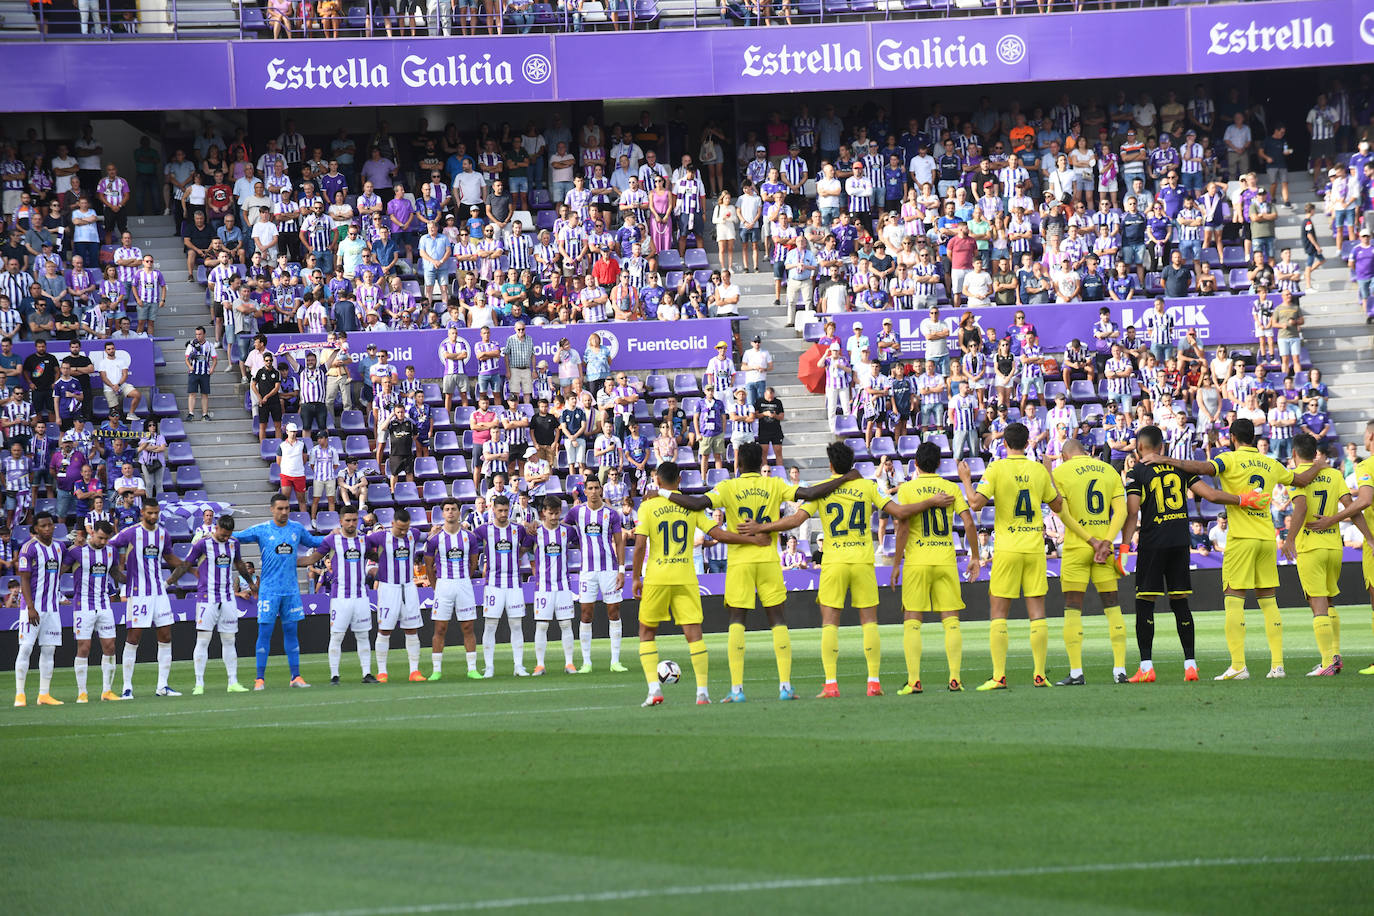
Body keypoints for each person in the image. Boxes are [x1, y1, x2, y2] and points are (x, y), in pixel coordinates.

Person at [739, 442, 945, 697]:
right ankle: (873, 683)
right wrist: (932, 501)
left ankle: (831, 684)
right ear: (852, 463)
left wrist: (762, 527)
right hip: (862, 561)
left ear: (831, 465)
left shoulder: (822, 491)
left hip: (834, 562)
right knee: (869, 622)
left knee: (829, 624)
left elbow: (795, 520)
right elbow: (900, 512)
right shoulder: (868, 486)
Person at [665, 442, 856, 702]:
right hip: (768, 558)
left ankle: (736, 690)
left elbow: (697, 503)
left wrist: (663, 494)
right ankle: (786, 686)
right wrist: (844, 478)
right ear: (760, 462)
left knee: (736, 621)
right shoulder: (775, 484)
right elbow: (810, 494)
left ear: (739, 464)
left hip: (740, 561)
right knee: (777, 619)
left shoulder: (728, 487)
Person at [1160, 419, 1326, 680]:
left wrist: (1170, 460)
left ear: (1233, 437)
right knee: (1269, 601)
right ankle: (1277, 666)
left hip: (1241, 538)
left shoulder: (1229, 459)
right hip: (1266, 538)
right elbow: (1303, 479)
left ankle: (1238, 666)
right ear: (1252, 436)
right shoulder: (1270, 462)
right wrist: (1319, 464)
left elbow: (1203, 468)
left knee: (1233, 599)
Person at [633, 461, 764, 708]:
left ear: (657, 481)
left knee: (646, 632)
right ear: (680, 480)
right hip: (685, 576)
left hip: (657, 577)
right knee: (694, 635)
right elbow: (718, 534)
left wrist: (635, 578)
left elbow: (639, 545)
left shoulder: (648, 507)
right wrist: (750, 540)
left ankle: (654, 690)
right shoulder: (690, 508)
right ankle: (702, 693)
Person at [1123, 426, 1246, 682]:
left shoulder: (1137, 471)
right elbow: (1210, 495)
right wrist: (1242, 499)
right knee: (1180, 603)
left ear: (1139, 448)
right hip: (1180, 541)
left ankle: (1146, 668)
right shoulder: (1180, 468)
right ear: (1161, 447)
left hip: (1152, 542)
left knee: (1145, 603)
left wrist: (1125, 546)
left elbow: (1133, 511)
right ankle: (1190, 664)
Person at [958, 422, 1063, 690]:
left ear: (1004, 444)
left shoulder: (997, 467)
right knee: (1037, 611)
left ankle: (999, 676)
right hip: (1033, 547)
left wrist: (966, 480)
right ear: (1028, 444)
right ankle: (1039, 674)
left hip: (1006, 548)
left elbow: (975, 503)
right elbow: (1058, 505)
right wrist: (1050, 476)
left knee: (998, 612)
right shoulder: (1038, 470)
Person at [890, 442, 981, 694]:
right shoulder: (950, 487)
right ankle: (954, 679)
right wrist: (975, 556)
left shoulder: (907, 489)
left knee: (912, 619)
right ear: (940, 464)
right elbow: (969, 523)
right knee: (951, 620)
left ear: (915, 464)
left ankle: (914, 681)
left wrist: (896, 563)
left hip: (917, 561)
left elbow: (903, 528)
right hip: (945, 560)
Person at [1049, 439, 1128, 686]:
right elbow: (1122, 512)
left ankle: (1076, 673)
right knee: (1113, 607)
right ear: (1085, 452)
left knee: (1073, 608)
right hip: (1105, 549)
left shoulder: (1060, 472)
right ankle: (1120, 670)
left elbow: (1063, 513)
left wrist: (1090, 541)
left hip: (1076, 548)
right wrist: (1105, 541)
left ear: (1063, 456)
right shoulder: (1108, 469)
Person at [1282, 434, 1356, 677]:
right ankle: (1334, 656)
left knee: (1318, 602)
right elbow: (1351, 507)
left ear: (1294, 454)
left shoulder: (1295, 477)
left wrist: (1290, 538)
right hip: (1335, 546)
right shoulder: (1334, 474)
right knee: (1330, 601)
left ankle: (1326, 662)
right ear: (1316, 454)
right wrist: (1369, 536)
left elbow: (1301, 506)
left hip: (1310, 547)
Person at [235, 494, 323, 690]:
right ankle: (259, 679)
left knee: (291, 632)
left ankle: (296, 677)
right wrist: (217, 534)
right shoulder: (262, 530)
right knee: (264, 632)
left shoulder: (296, 529)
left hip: (290, 591)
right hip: (268, 591)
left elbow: (314, 542)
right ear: (272, 509)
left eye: (287, 509)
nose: (284, 512)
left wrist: (336, 535)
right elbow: (237, 537)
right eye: (280, 509)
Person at [163, 515, 253, 695]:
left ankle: (233, 681)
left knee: (229, 640)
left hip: (227, 597)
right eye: (223, 534)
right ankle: (199, 684)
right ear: (216, 528)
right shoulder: (202, 544)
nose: (225, 538)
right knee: (203, 640)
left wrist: (251, 583)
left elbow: (240, 565)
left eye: (228, 535)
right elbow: (185, 565)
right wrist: (168, 583)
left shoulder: (234, 543)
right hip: (207, 598)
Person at [109, 498, 183, 698]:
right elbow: (109, 545)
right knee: (133, 638)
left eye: (156, 513)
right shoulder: (131, 532)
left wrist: (187, 566)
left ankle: (162, 686)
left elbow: (168, 557)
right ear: (142, 513)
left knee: (166, 636)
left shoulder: (163, 534)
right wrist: (116, 569)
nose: (153, 516)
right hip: (138, 593)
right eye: (150, 513)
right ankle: (127, 687)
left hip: (159, 592)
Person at [299, 507, 378, 685]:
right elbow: (312, 560)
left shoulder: (364, 540)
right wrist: (288, 561)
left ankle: (367, 673)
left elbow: (379, 555)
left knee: (363, 635)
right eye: (348, 520)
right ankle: (334, 675)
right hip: (340, 597)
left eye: (354, 520)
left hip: (361, 596)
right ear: (341, 521)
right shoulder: (332, 539)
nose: (351, 524)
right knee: (336, 636)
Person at [565, 477, 626, 673]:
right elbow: (562, 529)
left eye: (596, 488)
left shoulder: (612, 514)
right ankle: (586, 662)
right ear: (585, 491)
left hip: (609, 569)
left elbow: (619, 541)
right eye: (589, 488)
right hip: (587, 571)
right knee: (586, 613)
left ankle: (615, 661)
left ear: (601, 490)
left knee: (614, 611)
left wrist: (622, 570)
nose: (593, 491)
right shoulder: (577, 512)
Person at [63, 519, 123, 703]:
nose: (104, 542)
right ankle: (82, 692)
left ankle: (107, 691)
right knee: (84, 647)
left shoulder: (112, 552)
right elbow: (60, 570)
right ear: (92, 533)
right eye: (101, 538)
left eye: (107, 539)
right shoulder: (77, 552)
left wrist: (130, 579)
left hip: (104, 604)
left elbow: (115, 573)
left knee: (110, 646)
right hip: (83, 606)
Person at [365, 508, 426, 683]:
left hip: (408, 587)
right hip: (388, 587)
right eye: (400, 528)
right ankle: (382, 672)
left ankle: (414, 671)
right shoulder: (381, 537)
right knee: (384, 629)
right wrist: (375, 561)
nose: (403, 532)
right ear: (392, 524)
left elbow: (426, 536)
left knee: (411, 628)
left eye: (406, 528)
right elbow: (363, 544)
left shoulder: (413, 534)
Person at [11, 511, 65, 707]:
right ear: (35, 529)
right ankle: (20, 694)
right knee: (25, 648)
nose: (48, 528)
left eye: (50, 525)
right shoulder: (29, 548)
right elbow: (23, 579)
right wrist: (30, 607)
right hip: (32, 608)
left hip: (52, 608)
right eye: (43, 526)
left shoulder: (59, 547)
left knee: (49, 649)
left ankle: (44, 694)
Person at [424, 499, 481, 681]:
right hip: (444, 585)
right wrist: (436, 587)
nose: (450, 512)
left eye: (453, 509)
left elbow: (473, 563)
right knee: (440, 628)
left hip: (463, 584)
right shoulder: (435, 539)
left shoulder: (469, 537)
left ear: (458, 512)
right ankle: (436, 670)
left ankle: (472, 669)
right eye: (447, 509)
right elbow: (428, 566)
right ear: (443, 513)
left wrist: (464, 578)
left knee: (468, 626)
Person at [473, 495, 529, 678]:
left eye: (506, 510)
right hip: (493, 585)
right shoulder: (484, 530)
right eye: (500, 510)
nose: (503, 514)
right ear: (493, 510)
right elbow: (468, 540)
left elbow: (526, 544)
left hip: (514, 584)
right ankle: (489, 667)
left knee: (516, 624)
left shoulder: (518, 530)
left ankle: (518, 666)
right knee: (490, 625)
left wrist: (532, 524)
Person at [524, 495, 578, 676]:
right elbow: (519, 551)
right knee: (541, 626)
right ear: (543, 513)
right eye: (551, 513)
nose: (554, 517)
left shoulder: (568, 531)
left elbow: (583, 544)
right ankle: (540, 665)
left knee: (566, 624)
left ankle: (569, 663)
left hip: (563, 586)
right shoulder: (535, 533)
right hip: (542, 587)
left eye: (557, 513)